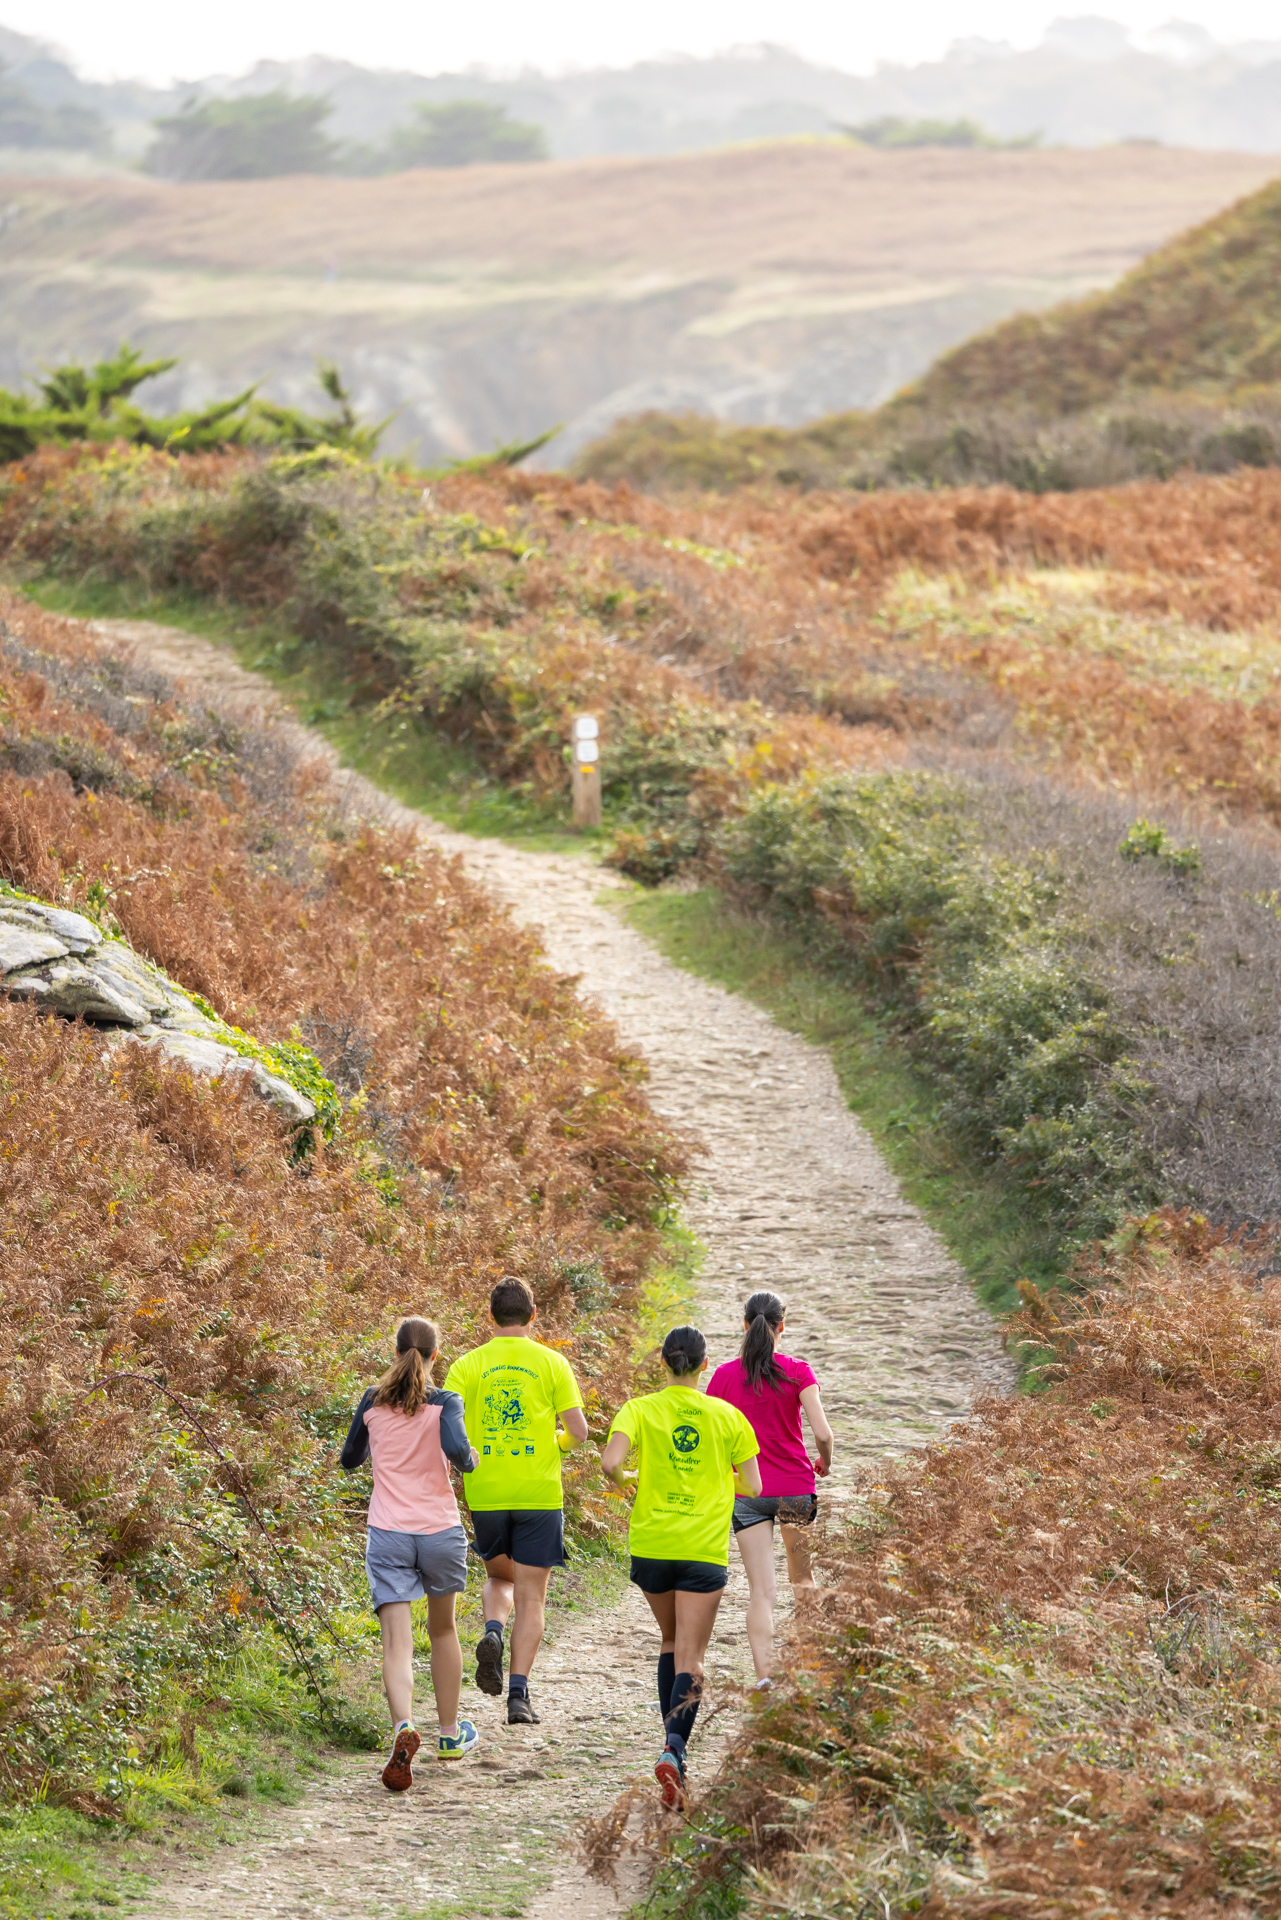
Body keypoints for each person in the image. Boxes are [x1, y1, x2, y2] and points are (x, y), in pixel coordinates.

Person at [602, 1324, 761, 1808]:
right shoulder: (728, 1417)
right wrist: (717, 1480)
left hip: (652, 1544)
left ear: (663, 1363)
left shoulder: (640, 1409)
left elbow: (609, 1464)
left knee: (670, 1641)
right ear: (704, 1365)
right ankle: (674, 1749)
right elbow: (753, 1486)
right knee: (691, 1654)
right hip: (701, 1548)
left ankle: (672, 1748)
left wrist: (629, 1477)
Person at [340, 1315, 480, 1789]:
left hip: (389, 1533)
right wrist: (471, 1458)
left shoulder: (372, 1401)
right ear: (436, 1356)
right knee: (443, 1631)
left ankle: (403, 1726)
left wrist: (377, 1444)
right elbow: (459, 1453)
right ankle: (449, 1735)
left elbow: (349, 1458)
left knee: (396, 1644)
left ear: (396, 1352)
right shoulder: (446, 1402)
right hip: (439, 1531)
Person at [444, 1275, 589, 1725]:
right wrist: (556, 1445)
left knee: (498, 1576)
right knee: (532, 1598)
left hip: (487, 1491)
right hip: (538, 1492)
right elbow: (579, 1432)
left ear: (490, 1315)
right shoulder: (553, 1363)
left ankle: (493, 1630)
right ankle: (519, 1697)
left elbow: (449, 1432)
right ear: (533, 1315)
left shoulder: (466, 1365)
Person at [706, 1290, 834, 1690]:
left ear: (745, 1324)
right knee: (804, 1581)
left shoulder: (723, 1376)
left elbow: (712, 1436)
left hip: (747, 1492)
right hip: (795, 1488)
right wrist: (825, 1461)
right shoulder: (798, 1371)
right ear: (783, 1327)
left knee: (761, 1591)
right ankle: (808, 1670)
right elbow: (823, 1433)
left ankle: (764, 1678)